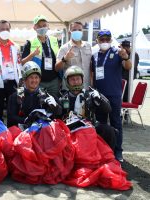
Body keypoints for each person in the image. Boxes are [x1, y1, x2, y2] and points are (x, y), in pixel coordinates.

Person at [91, 29, 132, 162]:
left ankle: (118, 151)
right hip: (99, 96)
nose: (104, 42)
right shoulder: (94, 55)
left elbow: (128, 66)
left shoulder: (117, 52)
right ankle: (102, 150)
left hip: (114, 94)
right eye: (102, 39)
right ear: (97, 41)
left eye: (107, 39)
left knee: (116, 122)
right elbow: (93, 75)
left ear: (110, 40)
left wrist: (125, 56)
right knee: (101, 124)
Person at [60, 66, 116, 150]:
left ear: (82, 80)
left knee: (109, 131)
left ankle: (109, 157)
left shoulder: (91, 94)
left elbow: (108, 109)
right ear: (67, 81)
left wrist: (99, 99)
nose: (76, 82)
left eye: (78, 79)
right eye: (72, 79)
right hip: (70, 129)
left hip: (90, 126)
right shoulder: (63, 98)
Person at [7, 61, 61, 128]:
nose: (34, 80)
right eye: (31, 77)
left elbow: (59, 114)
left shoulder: (46, 95)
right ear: (25, 80)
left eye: (36, 77)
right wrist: (27, 120)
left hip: (42, 131)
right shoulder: (16, 96)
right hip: (22, 132)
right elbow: (11, 117)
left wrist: (56, 107)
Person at [21, 15, 60, 96]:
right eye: (39, 26)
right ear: (34, 27)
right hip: (37, 82)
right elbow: (22, 62)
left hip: (54, 81)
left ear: (48, 26)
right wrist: (32, 55)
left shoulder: (54, 40)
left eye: (44, 25)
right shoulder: (30, 42)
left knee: (54, 104)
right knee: (38, 104)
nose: (42, 28)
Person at [55, 21, 92, 89]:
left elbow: (90, 66)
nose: (77, 31)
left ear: (82, 31)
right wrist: (65, 59)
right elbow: (57, 68)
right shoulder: (64, 48)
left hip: (86, 87)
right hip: (70, 89)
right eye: (74, 30)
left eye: (80, 30)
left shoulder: (88, 46)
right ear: (70, 32)